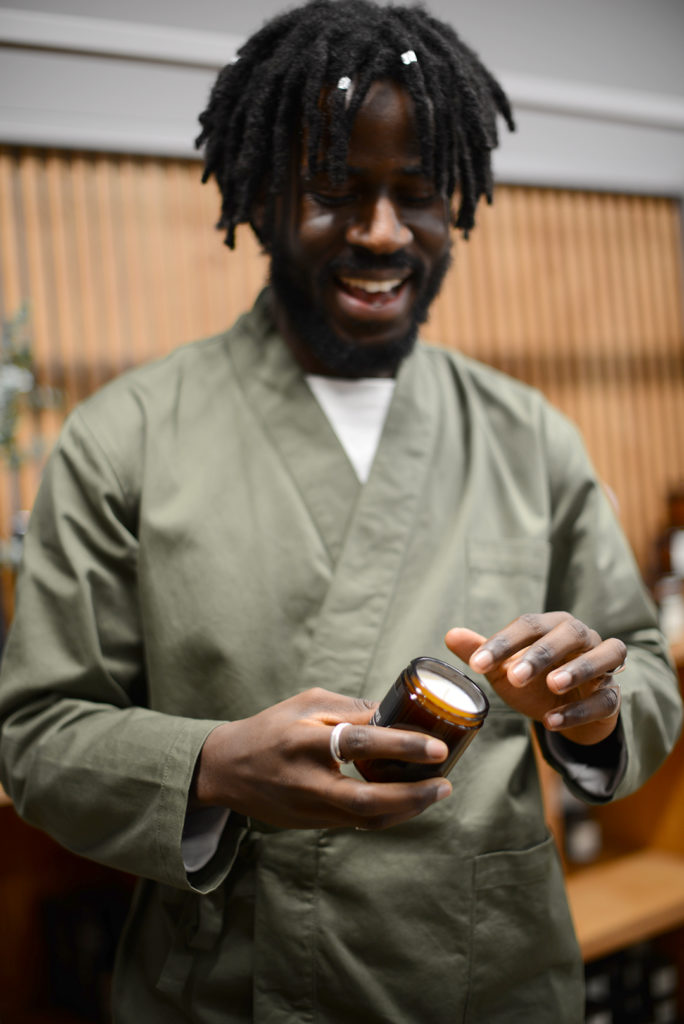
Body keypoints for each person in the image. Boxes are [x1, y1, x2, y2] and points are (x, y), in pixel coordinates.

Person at [0, 1, 681, 1021]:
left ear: (452, 207)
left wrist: (591, 708)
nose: (379, 232)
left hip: (486, 978)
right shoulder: (126, 434)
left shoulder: (527, 433)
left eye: (415, 195)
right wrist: (212, 764)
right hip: (232, 983)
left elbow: (646, 669)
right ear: (266, 197)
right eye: (335, 190)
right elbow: (38, 734)